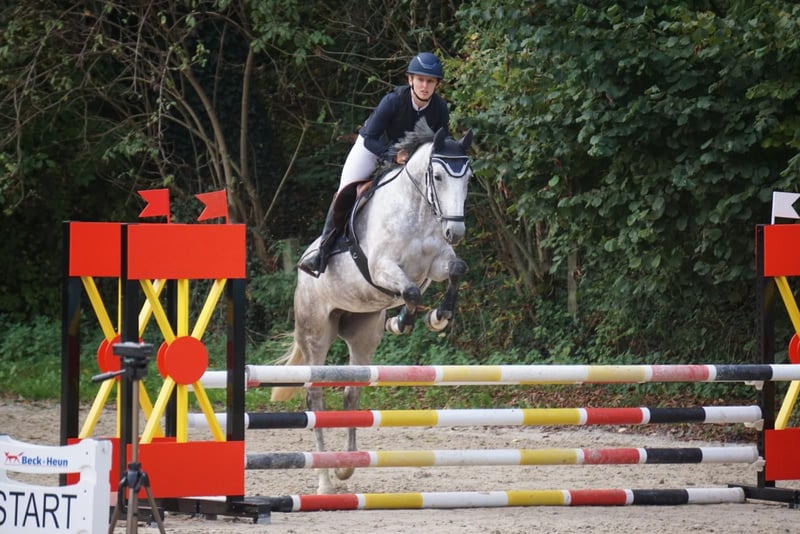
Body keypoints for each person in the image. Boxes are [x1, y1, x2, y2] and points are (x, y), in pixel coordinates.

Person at [298, 52, 450, 277]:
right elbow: (370, 138)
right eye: (420, 79)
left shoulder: (440, 108)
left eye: (430, 81)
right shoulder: (393, 101)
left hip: (411, 158)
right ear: (410, 79)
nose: (425, 86)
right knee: (345, 190)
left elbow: (441, 143)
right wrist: (392, 156)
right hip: (373, 148)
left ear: (437, 84)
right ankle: (322, 252)